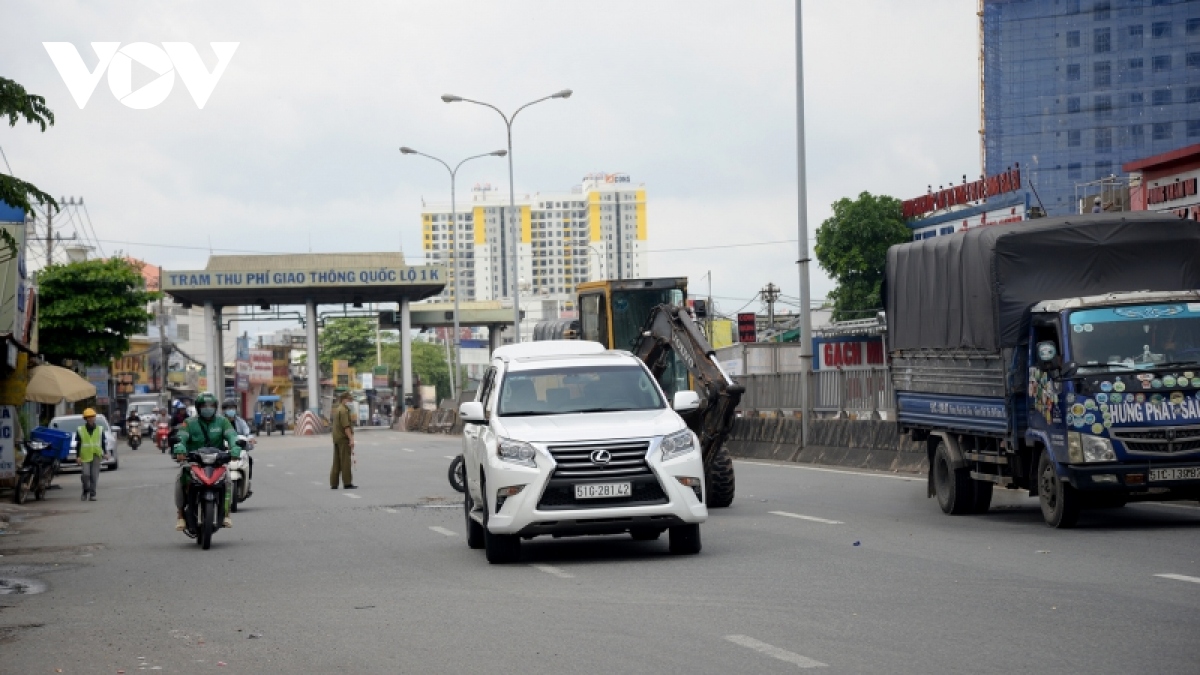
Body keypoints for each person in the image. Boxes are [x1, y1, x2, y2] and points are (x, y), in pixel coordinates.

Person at [172, 392, 240, 531]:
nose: (208, 408)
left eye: (211, 405)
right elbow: (181, 437)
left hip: (217, 462)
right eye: (204, 405)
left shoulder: (223, 421)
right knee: (181, 479)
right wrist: (180, 448)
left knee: (228, 479)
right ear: (198, 407)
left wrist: (234, 448)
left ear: (215, 407)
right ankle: (180, 515)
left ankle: (226, 513)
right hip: (194, 462)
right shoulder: (189, 423)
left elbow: (232, 435)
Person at [75, 408, 109, 501]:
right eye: (88, 417)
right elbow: (78, 444)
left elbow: (102, 442)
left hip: (96, 454)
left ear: (94, 418)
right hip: (85, 455)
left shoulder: (99, 429)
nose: (91, 418)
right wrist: (77, 456)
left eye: (92, 417)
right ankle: (85, 490)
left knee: (94, 475)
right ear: (85, 419)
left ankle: (92, 494)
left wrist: (105, 453)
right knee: (85, 475)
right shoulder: (80, 429)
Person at [330, 390, 356, 489]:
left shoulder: (338, 409)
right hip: (343, 439)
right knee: (345, 462)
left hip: (336, 438)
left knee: (336, 462)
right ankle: (347, 483)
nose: (351, 402)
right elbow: (346, 427)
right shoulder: (344, 411)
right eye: (349, 400)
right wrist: (351, 439)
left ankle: (334, 483)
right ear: (344, 400)